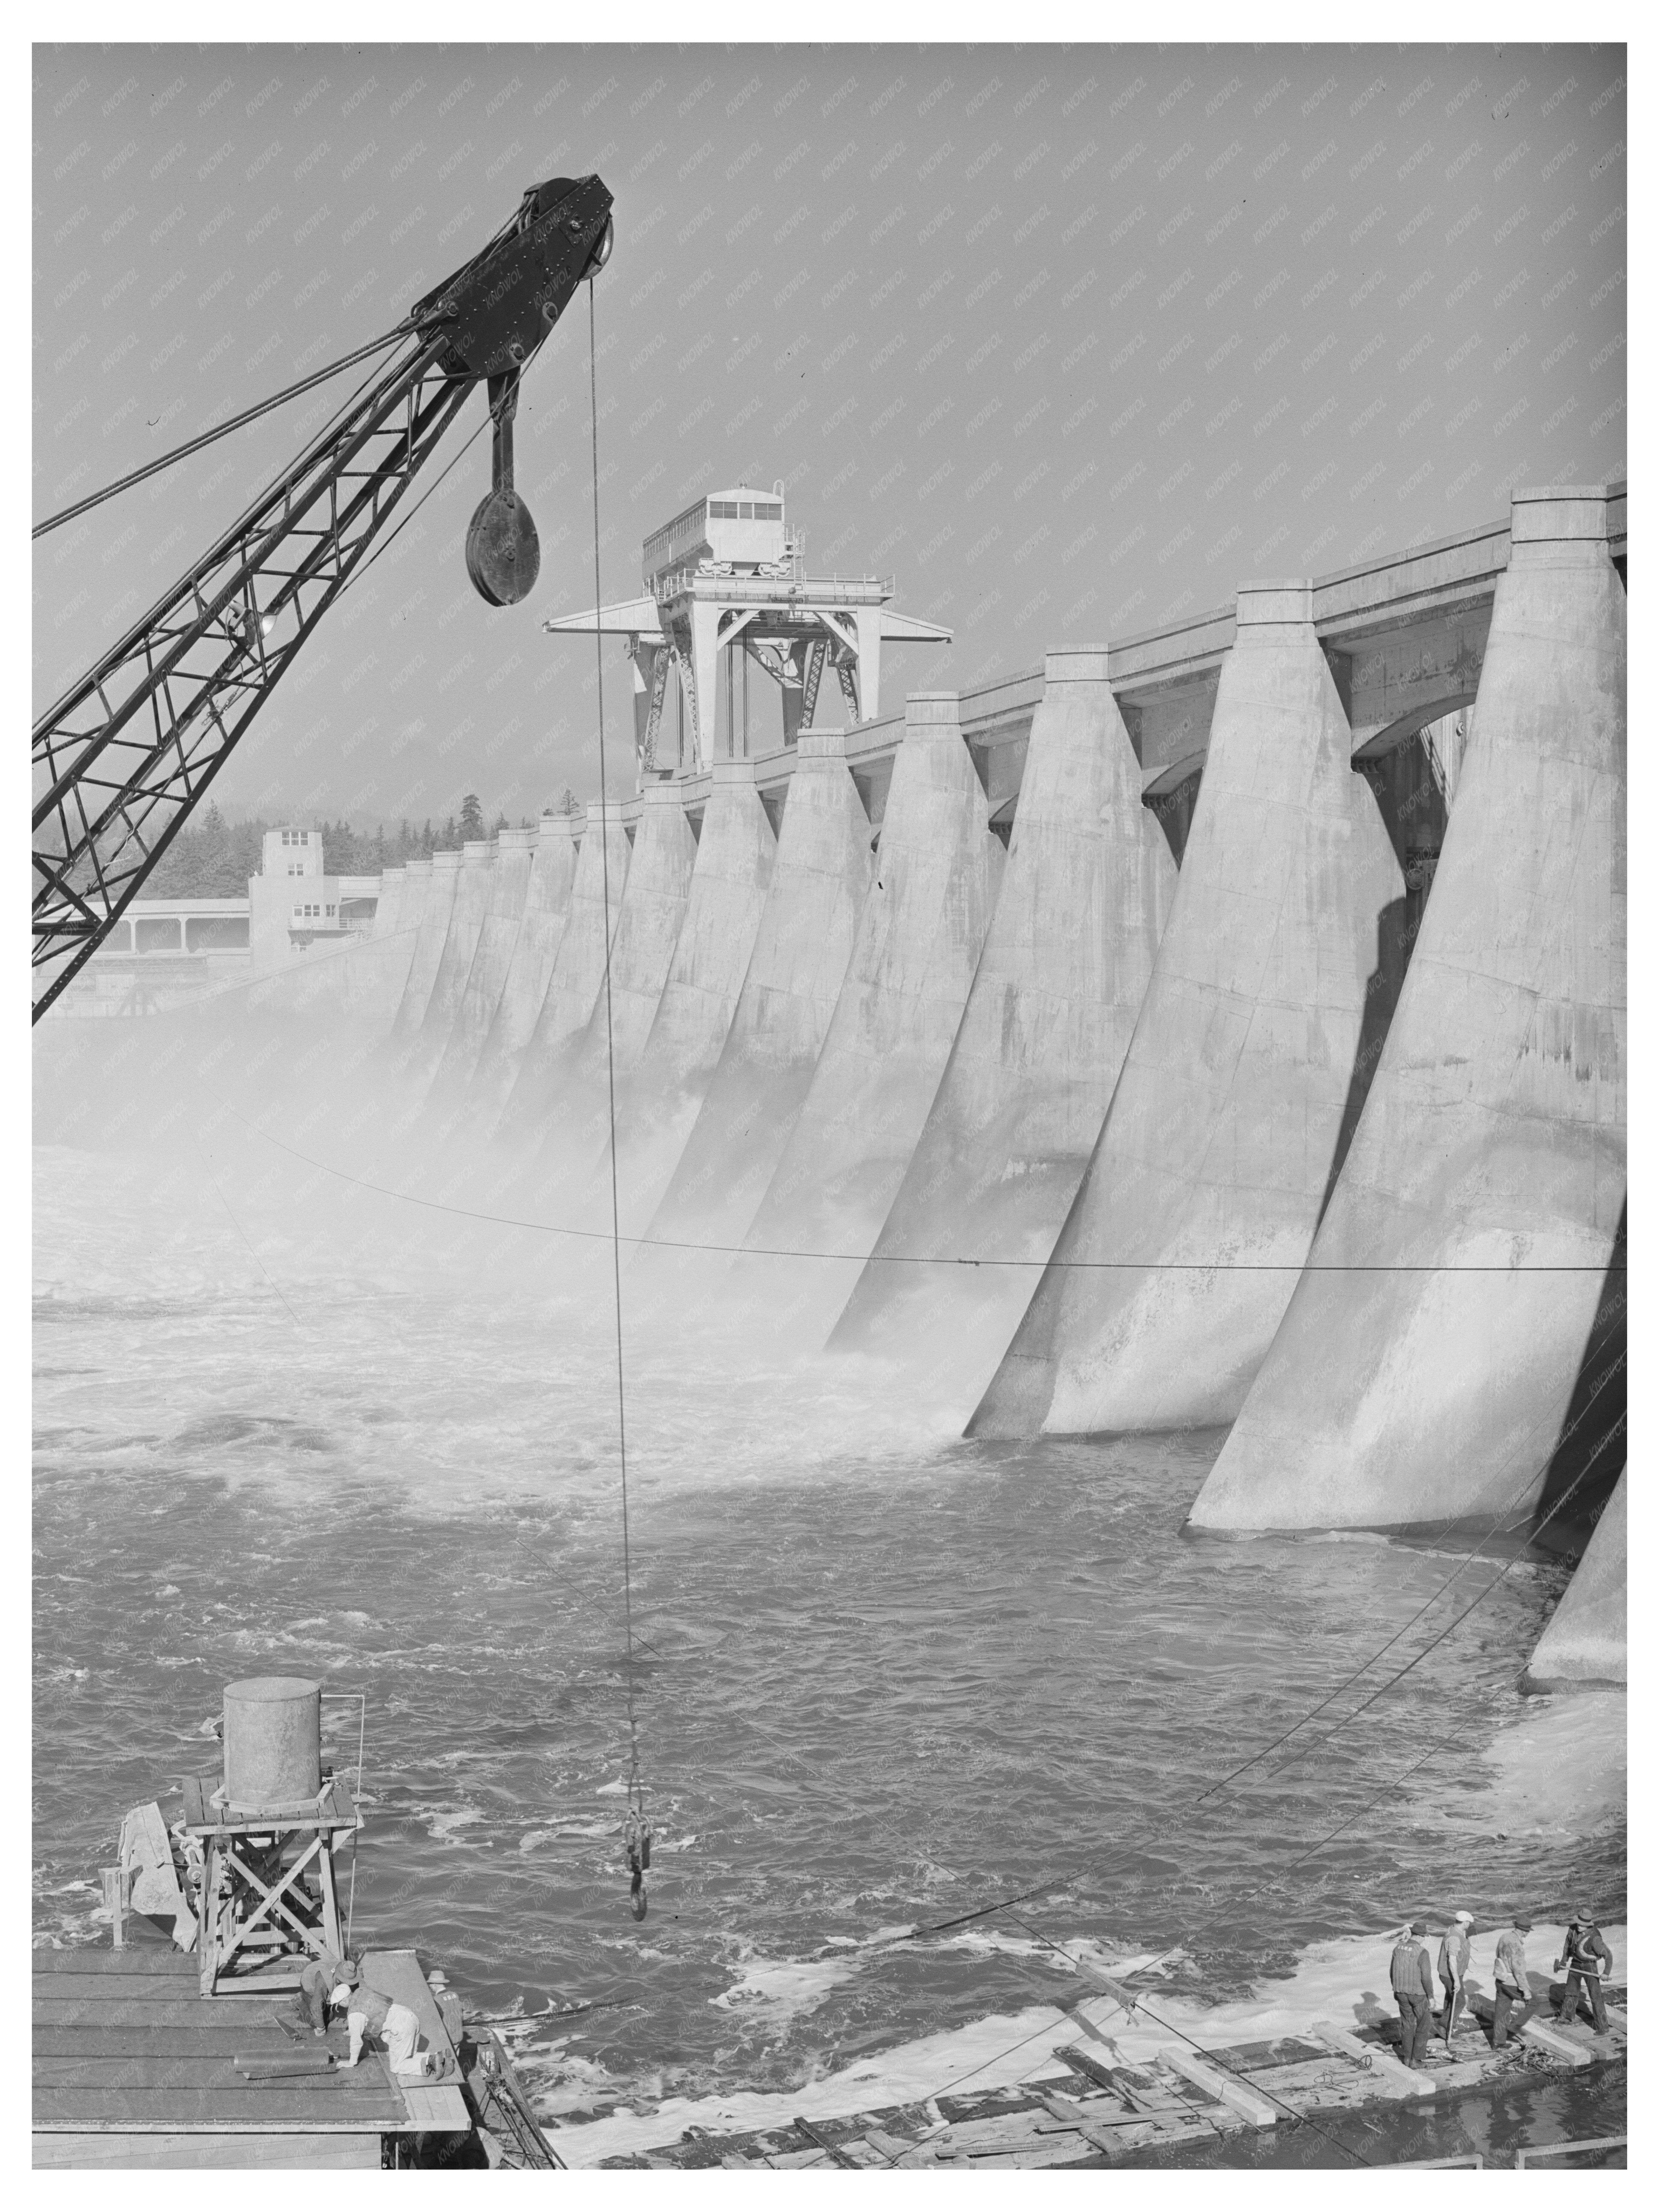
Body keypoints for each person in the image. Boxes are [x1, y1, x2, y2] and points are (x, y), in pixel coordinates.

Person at [330, 1958, 431, 2082]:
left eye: (339, 2005)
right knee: (410, 2055)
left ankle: (428, 2064)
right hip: (409, 2015)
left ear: (345, 2001)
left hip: (400, 2028)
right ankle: (437, 2058)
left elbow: (357, 2042)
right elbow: (370, 2012)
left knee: (397, 2067)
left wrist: (351, 2062)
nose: (341, 2007)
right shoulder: (361, 1991)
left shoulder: (354, 2014)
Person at [1554, 1910, 1612, 2032]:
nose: (1579, 1926)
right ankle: (1566, 2017)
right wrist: (1564, 1961)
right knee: (1570, 1992)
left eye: (1583, 1925)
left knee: (1596, 1997)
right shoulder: (1572, 1929)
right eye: (1578, 1923)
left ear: (1589, 1925)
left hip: (1590, 1967)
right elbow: (1567, 1944)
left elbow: (1608, 1955)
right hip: (1575, 1964)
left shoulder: (1594, 1937)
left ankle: (1603, 2027)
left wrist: (1606, 1973)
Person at [1389, 1922, 1436, 2068]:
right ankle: (1417, 2060)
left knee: (1407, 2025)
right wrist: (1431, 1996)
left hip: (1401, 1993)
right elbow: (1426, 1978)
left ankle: (1407, 2058)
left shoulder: (1397, 1949)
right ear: (1421, 1937)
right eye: (1424, 1937)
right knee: (1424, 2025)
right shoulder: (1423, 1952)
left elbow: (1392, 1972)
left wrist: (1396, 1989)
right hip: (1418, 1994)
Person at [1491, 1917, 1534, 2048]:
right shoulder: (1516, 1945)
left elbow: (1498, 1954)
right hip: (1511, 1983)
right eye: (1528, 1931)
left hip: (1500, 1980)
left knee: (1501, 2012)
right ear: (1523, 1931)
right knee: (1534, 2001)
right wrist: (1525, 1990)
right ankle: (1514, 2027)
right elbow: (1519, 1971)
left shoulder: (1504, 1937)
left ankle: (1498, 2043)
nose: (1528, 1934)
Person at [1438, 1911, 1474, 2046]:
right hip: (1451, 1975)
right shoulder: (1455, 1938)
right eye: (1469, 1923)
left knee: (1450, 1998)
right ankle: (1444, 2024)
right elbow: (1452, 1961)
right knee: (1459, 2002)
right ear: (1465, 1923)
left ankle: (1446, 2027)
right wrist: (1457, 1981)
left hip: (1448, 1974)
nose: (1470, 1925)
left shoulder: (1453, 1930)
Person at [299, 1947, 348, 2037]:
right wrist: (321, 2029)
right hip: (310, 1985)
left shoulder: (348, 1971)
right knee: (317, 2022)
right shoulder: (324, 1981)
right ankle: (299, 2001)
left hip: (324, 1973)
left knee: (331, 2017)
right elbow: (316, 2006)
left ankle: (326, 2001)